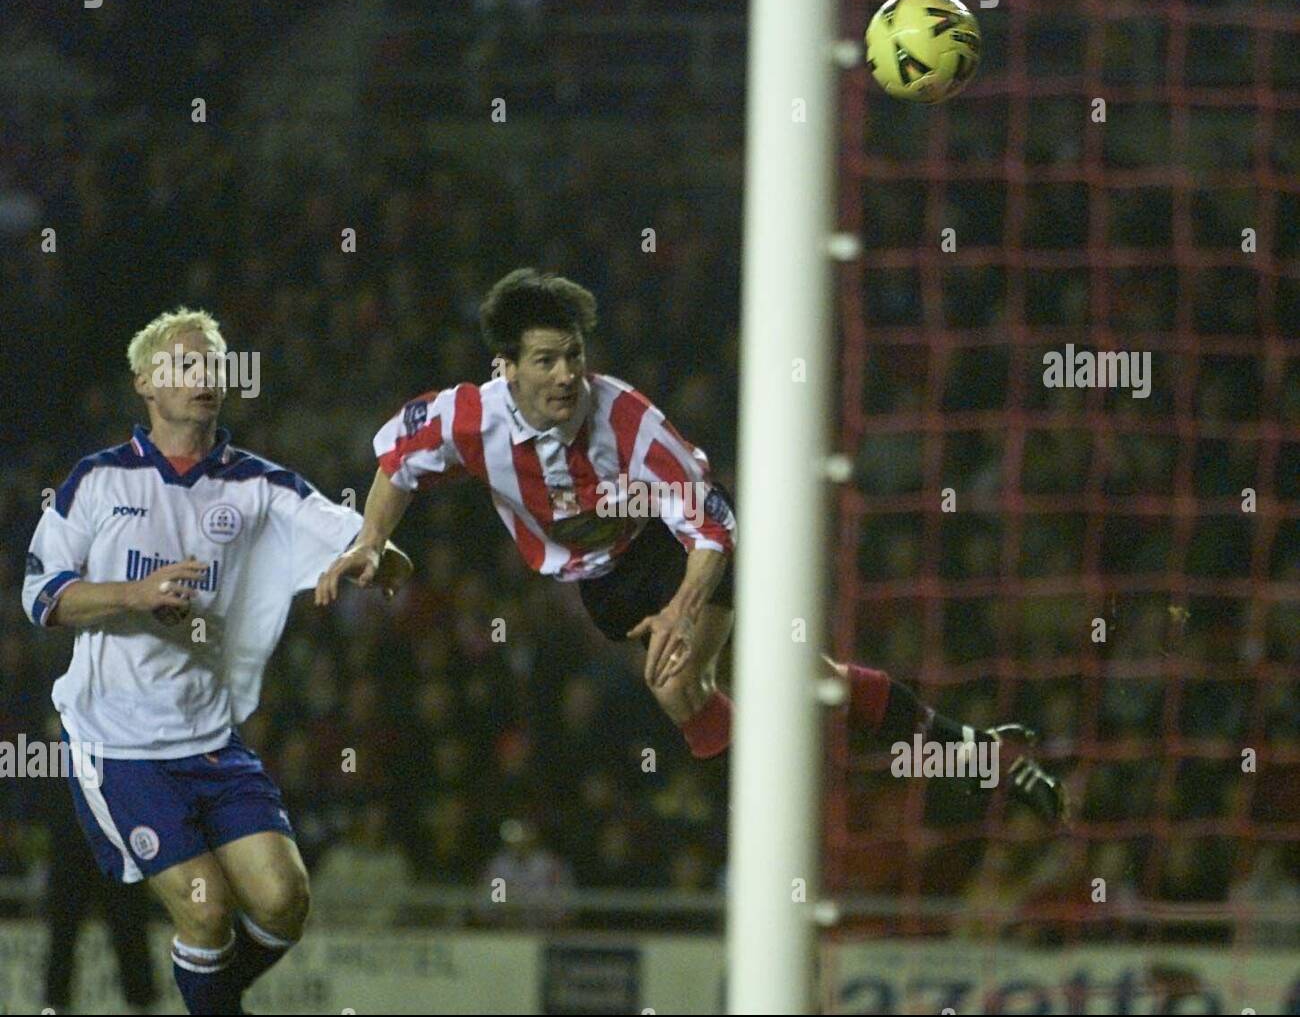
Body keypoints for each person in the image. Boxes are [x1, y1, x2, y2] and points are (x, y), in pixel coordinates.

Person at [317, 269, 1065, 822]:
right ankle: (965, 750)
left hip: (678, 558)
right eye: (545, 360)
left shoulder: (627, 420)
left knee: (676, 684)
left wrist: (680, 607)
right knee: (809, 684)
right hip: (604, 585)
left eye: (574, 355)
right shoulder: (467, 417)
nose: (567, 375)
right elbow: (398, 462)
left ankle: (772, 822)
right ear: (505, 368)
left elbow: (714, 523)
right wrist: (370, 540)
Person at [21, 307, 412, 1014]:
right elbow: (40, 595)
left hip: (211, 742)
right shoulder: (97, 481)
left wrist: (374, 555)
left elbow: (372, 545)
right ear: (145, 381)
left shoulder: (263, 488)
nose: (203, 373)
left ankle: (209, 1003)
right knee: (204, 912)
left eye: (213, 362)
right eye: (183, 361)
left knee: (284, 900)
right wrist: (135, 594)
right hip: (118, 745)